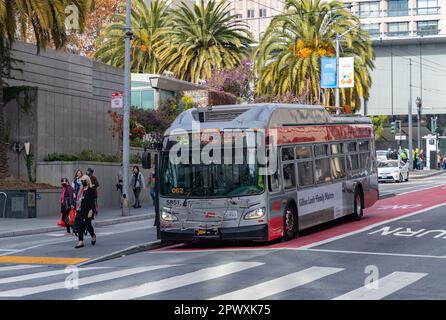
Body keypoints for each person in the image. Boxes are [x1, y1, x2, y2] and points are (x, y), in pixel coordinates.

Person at [74, 175, 97, 249]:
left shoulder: (91, 190)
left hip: (88, 210)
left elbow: (93, 202)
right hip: (80, 210)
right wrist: (76, 209)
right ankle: (81, 241)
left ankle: (93, 235)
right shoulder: (80, 190)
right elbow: (77, 201)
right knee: (80, 226)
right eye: (81, 180)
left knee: (88, 225)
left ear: (87, 181)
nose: (82, 181)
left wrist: (91, 210)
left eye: (84, 180)